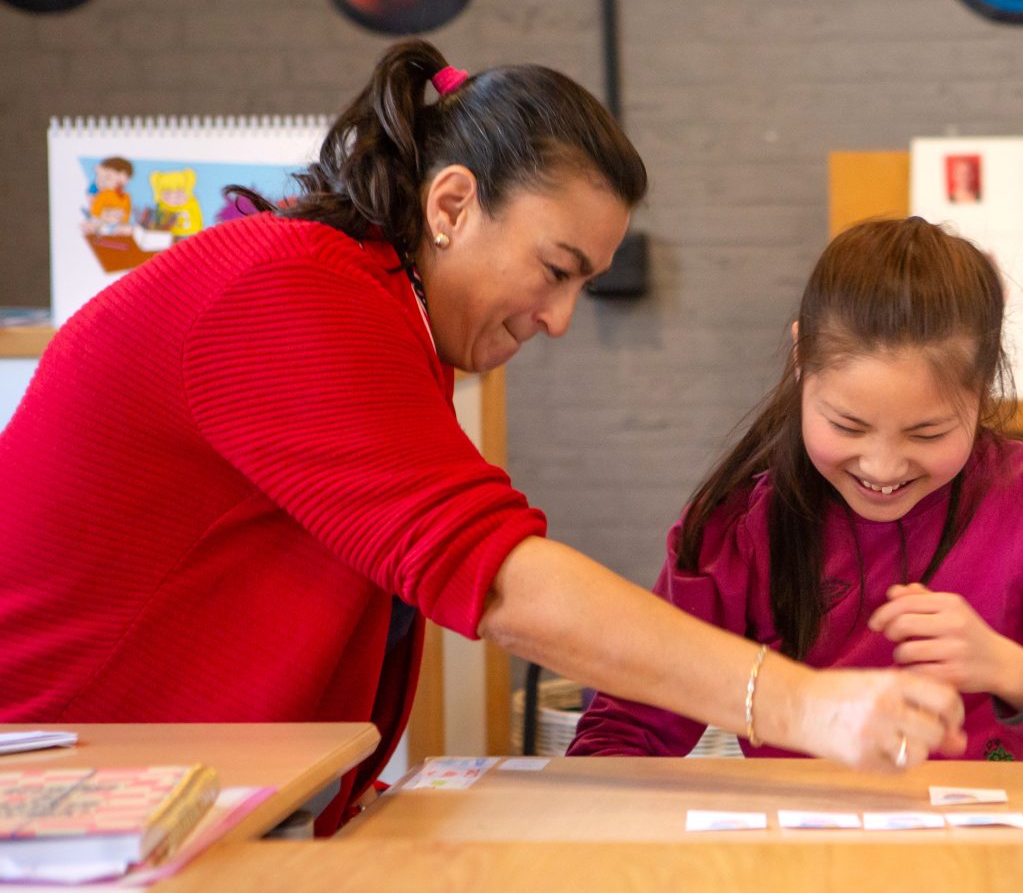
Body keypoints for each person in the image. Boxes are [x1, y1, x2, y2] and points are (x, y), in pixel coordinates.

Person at [0, 40, 964, 833]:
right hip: (62, 800)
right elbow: (494, 574)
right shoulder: (286, 294)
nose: (560, 320)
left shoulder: (368, 311)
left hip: (161, 790)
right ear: (452, 205)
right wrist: (805, 705)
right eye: (555, 269)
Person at [568, 218, 1023, 803]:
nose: (883, 467)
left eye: (926, 434)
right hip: (794, 878)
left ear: (981, 392)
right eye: (848, 425)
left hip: (984, 881)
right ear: (800, 361)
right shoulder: (739, 526)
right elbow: (624, 734)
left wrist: (1016, 671)